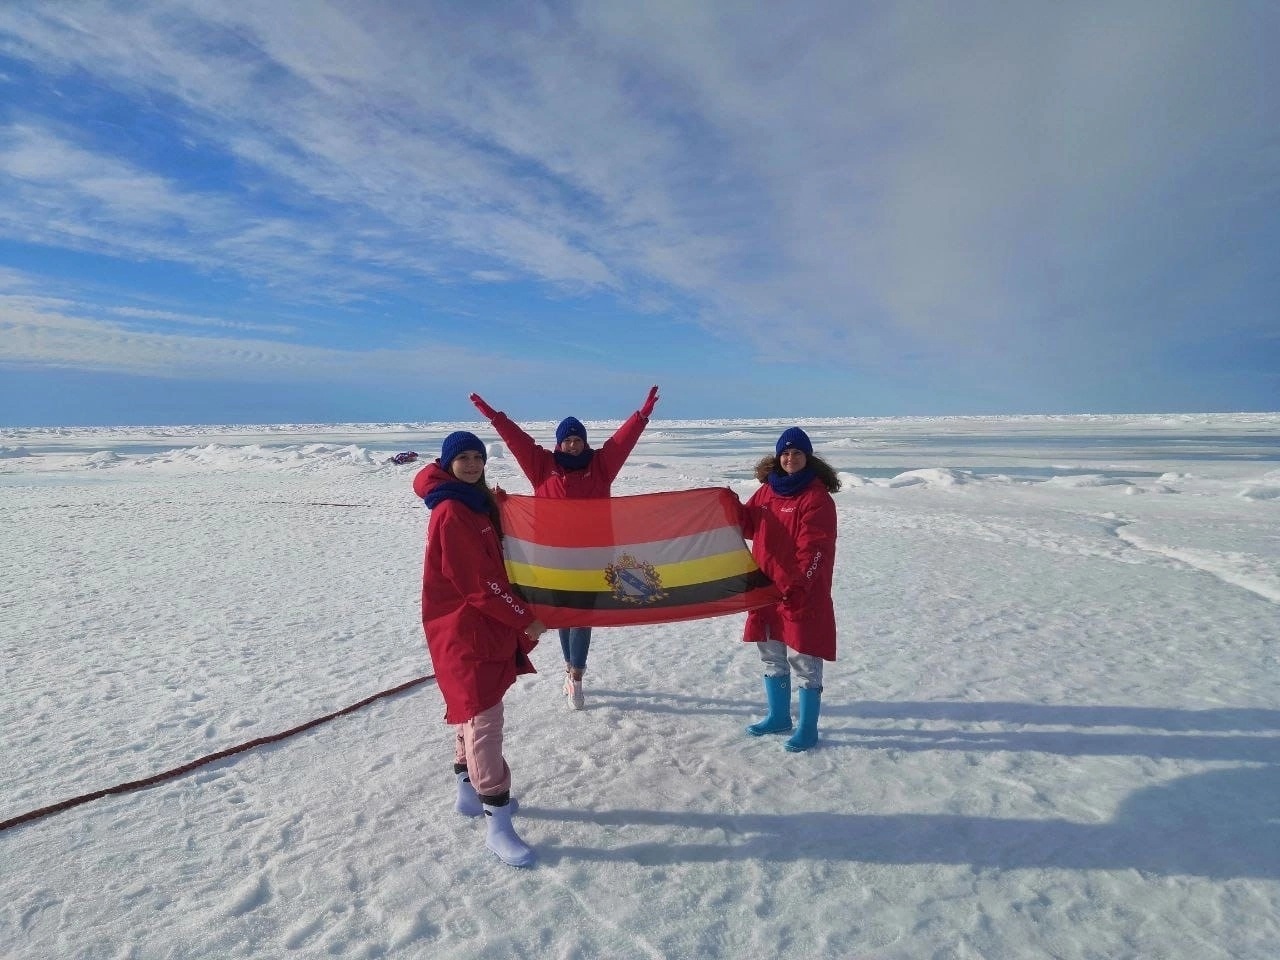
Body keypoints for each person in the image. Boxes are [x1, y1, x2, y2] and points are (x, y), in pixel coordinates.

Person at [469, 386, 660, 710]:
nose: (573, 445)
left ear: (584, 442)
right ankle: (569, 670)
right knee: (561, 616)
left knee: (582, 617)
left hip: (593, 558)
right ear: (559, 443)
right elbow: (518, 441)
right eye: (567, 440)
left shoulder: (600, 467)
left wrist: (641, 416)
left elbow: (620, 443)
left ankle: (577, 675)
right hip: (553, 558)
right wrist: (494, 417)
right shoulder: (543, 466)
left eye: (578, 439)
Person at [413, 430, 547, 867]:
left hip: (478, 629)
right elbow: (480, 584)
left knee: (470, 713)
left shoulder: (473, 504)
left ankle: (468, 796)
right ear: (447, 462)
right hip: (464, 632)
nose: (472, 464)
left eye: (478, 457)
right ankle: (498, 823)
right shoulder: (453, 511)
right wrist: (525, 618)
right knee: (484, 722)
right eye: (463, 458)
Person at [738, 427, 840, 752]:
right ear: (777, 457)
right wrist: (726, 506)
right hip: (766, 588)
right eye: (785, 453)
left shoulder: (816, 498)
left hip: (800, 593)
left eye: (796, 453)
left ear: (807, 457)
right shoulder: (767, 492)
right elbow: (748, 523)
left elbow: (815, 549)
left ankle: (808, 729)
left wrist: (798, 584)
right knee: (771, 656)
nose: (790, 458)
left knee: (805, 660)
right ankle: (779, 717)